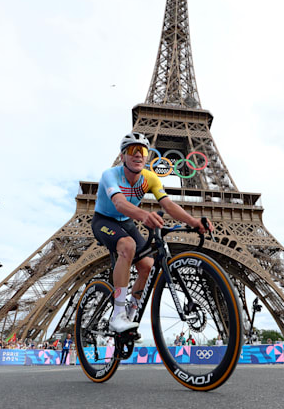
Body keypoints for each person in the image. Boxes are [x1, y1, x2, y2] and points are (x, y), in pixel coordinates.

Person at [91, 132, 213, 333]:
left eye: (143, 151)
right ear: (122, 156)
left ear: (148, 156)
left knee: (147, 267)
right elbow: (119, 203)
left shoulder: (150, 178)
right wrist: (143, 215)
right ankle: (117, 315)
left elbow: (167, 205)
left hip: (127, 221)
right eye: (132, 150)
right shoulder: (110, 175)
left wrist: (193, 221)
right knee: (127, 245)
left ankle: (130, 313)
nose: (138, 154)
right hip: (104, 220)